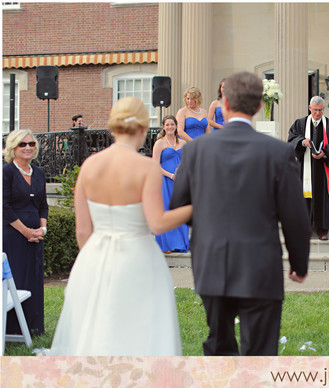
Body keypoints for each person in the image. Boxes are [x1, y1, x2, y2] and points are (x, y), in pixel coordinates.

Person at [171, 71, 310, 356]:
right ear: (260, 106)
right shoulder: (279, 152)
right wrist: (299, 263)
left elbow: (178, 208)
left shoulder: (195, 151)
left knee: (219, 348)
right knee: (260, 353)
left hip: (211, 262)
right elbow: (294, 216)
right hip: (260, 265)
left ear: (223, 104)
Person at [49, 97, 192, 355]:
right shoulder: (145, 167)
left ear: (112, 127)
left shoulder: (89, 166)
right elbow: (158, 223)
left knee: (97, 333)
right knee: (140, 333)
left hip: (94, 258)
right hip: (138, 258)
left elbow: (82, 231)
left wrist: (95, 258)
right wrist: (195, 208)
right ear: (141, 129)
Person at [3, 129, 47, 337]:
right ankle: (12, 329)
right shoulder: (6, 172)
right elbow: (5, 207)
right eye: (22, 144)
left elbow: (43, 206)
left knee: (34, 278)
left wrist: (42, 229)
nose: (28, 147)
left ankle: (33, 327)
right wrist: (26, 231)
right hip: (12, 235)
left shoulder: (39, 173)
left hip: (35, 237)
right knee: (17, 277)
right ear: (13, 148)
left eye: (31, 144)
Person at [287, 96, 329, 240]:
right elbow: (291, 139)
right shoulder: (300, 124)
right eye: (314, 110)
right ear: (309, 108)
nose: (317, 113)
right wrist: (302, 141)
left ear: (323, 109)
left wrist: (325, 152)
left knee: (322, 197)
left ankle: (322, 229)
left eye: (320, 110)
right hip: (304, 169)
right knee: (303, 196)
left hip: (323, 169)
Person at [152, 115, 190, 253]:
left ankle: (180, 243)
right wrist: (171, 175)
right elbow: (155, 165)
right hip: (165, 181)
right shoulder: (160, 143)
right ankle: (167, 245)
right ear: (163, 127)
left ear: (176, 126)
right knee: (167, 210)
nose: (170, 127)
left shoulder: (183, 143)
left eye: (172, 124)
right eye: (167, 125)